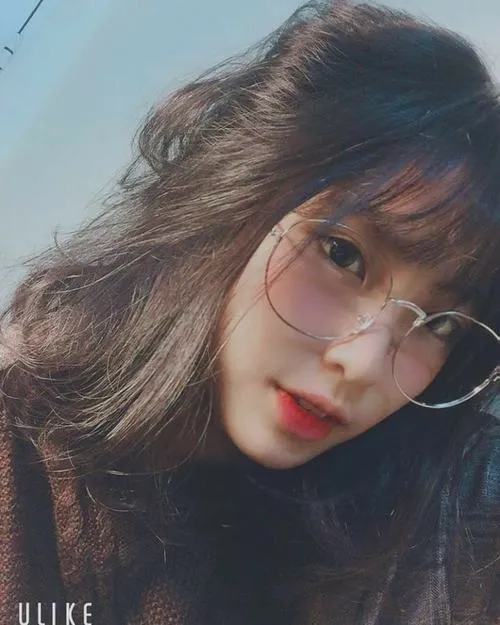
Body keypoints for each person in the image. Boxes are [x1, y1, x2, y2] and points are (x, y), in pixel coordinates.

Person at [1, 1, 499, 623]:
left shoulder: (446, 518)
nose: (366, 364)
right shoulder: (19, 441)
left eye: (439, 324)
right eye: (342, 255)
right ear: (232, 195)